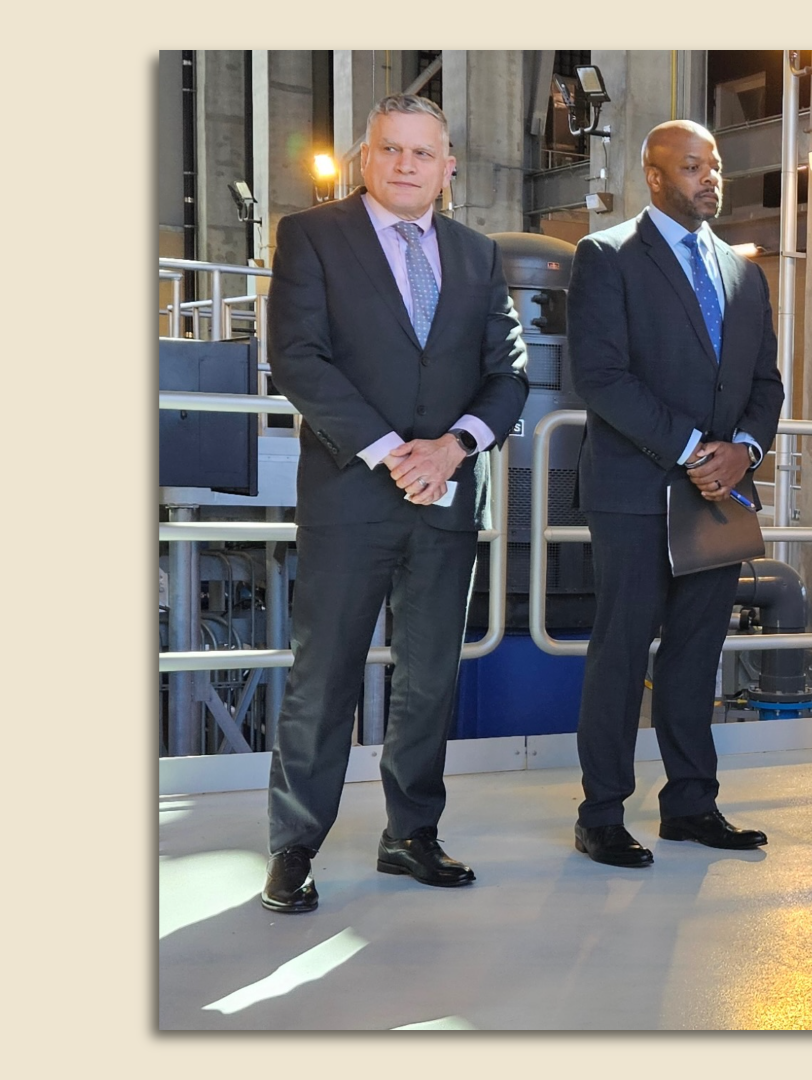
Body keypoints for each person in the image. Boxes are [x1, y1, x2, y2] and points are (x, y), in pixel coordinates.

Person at [260, 94, 530, 913]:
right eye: (391, 150)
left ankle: (410, 833)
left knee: (429, 676)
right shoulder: (313, 238)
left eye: (423, 153)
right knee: (325, 675)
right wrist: (389, 451)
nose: (407, 165)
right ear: (365, 160)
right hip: (351, 493)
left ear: (448, 170)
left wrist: (453, 448)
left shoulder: (478, 256)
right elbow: (299, 358)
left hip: (448, 495)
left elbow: (510, 370)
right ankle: (294, 846)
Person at [565, 120, 784, 868]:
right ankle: (601, 813)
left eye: (715, 165)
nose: (710, 178)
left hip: (716, 495)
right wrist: (696, 449)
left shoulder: (744, 272)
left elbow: (766, 385)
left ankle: (691, 803)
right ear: (655, 176)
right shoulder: (608, 256)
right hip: (634, 489)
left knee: (697, 654)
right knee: (622, 652)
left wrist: (744, 451)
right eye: (693, 167)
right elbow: (600, 376)